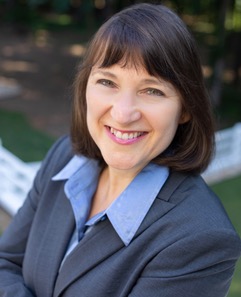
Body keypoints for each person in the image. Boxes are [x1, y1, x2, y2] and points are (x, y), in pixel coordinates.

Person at [0, 3, 240, 297]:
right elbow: (5, 262)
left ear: (185, 109)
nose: (124, 114)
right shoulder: (65, 158)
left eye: (152, 90)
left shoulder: (201, 240)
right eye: (107, 82)